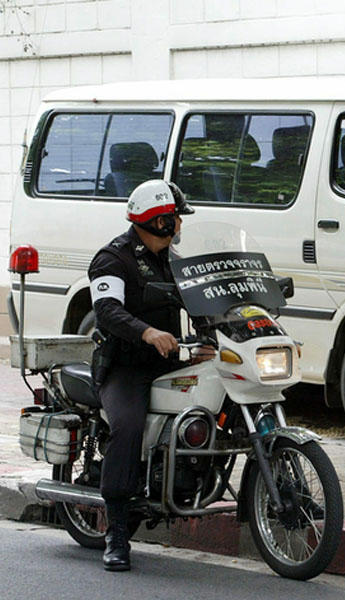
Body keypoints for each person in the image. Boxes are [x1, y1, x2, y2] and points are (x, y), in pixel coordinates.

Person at [89, 179, 194, 570]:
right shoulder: (112, 259)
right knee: (129, 427)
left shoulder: (175, 260)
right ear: (159, 222)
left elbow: (203, 300)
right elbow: (107, 311)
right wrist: (147, 332)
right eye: (175, 219)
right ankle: (116, 533)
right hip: (125, 366)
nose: (180, 225)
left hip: (168, 364)